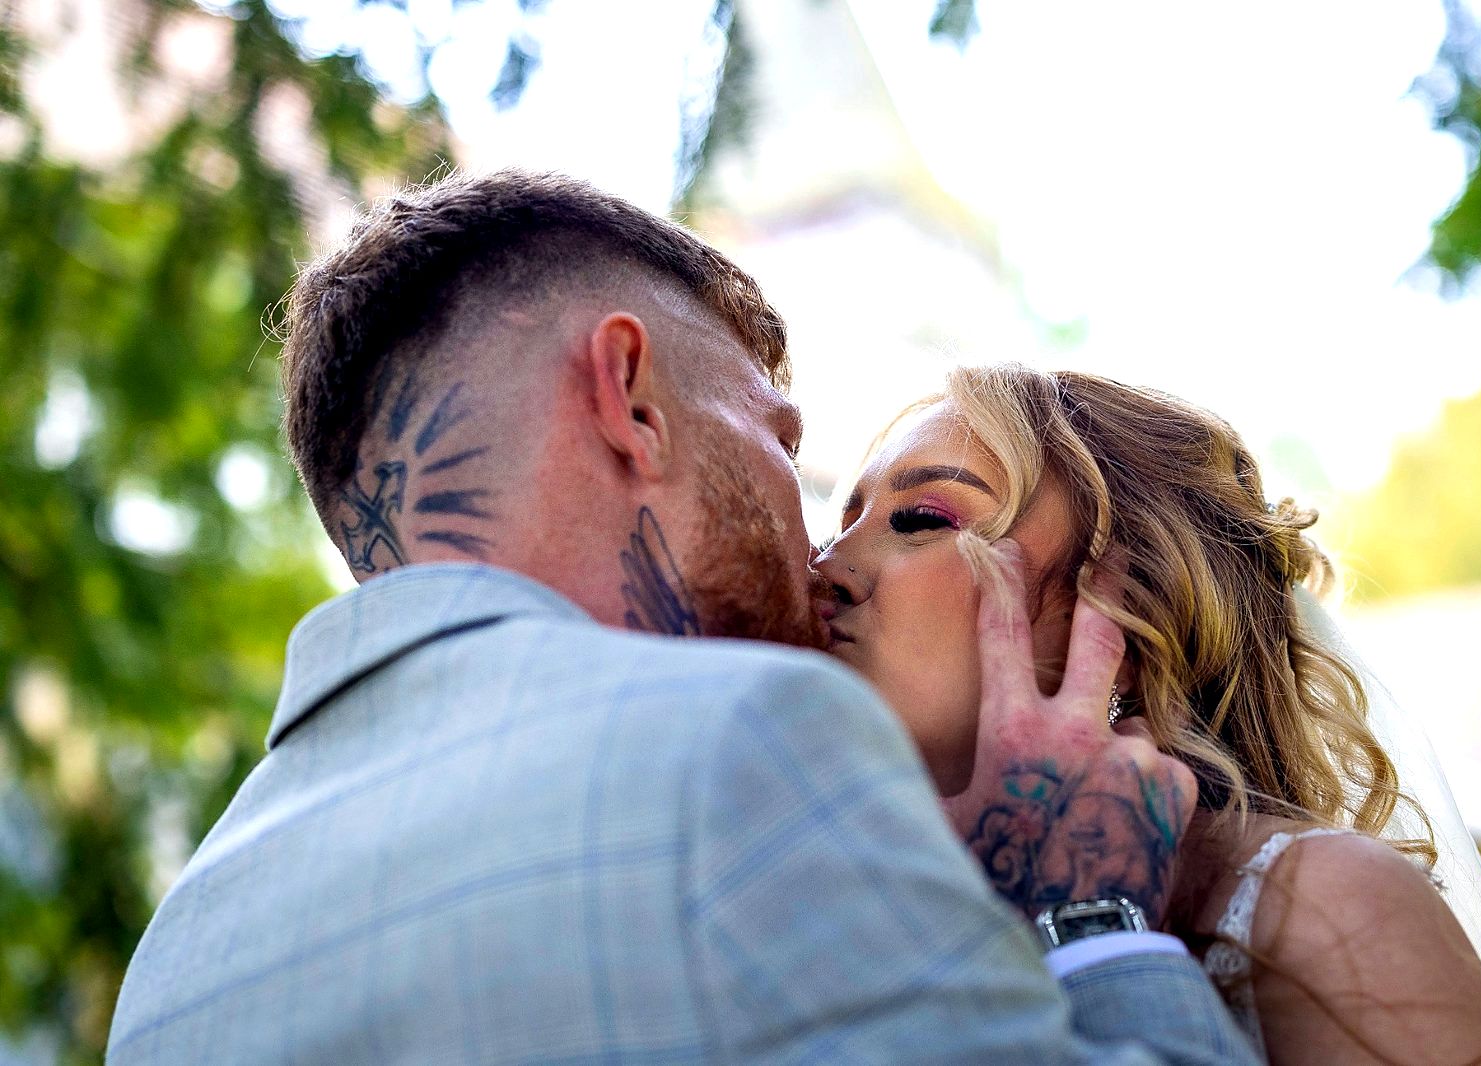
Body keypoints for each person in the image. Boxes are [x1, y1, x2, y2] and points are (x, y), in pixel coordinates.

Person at [106, 171, 1260, 1063]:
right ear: (630, 399)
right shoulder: (748, 747)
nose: (812, 541)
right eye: (780, 441)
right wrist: (1089, 913)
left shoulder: (176, 959)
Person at [813, 364, 1481, 1064]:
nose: (824, 569)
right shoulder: (819, 881)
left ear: (1127, 625)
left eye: (918, 518)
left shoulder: (1312, 904)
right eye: (838, 525)